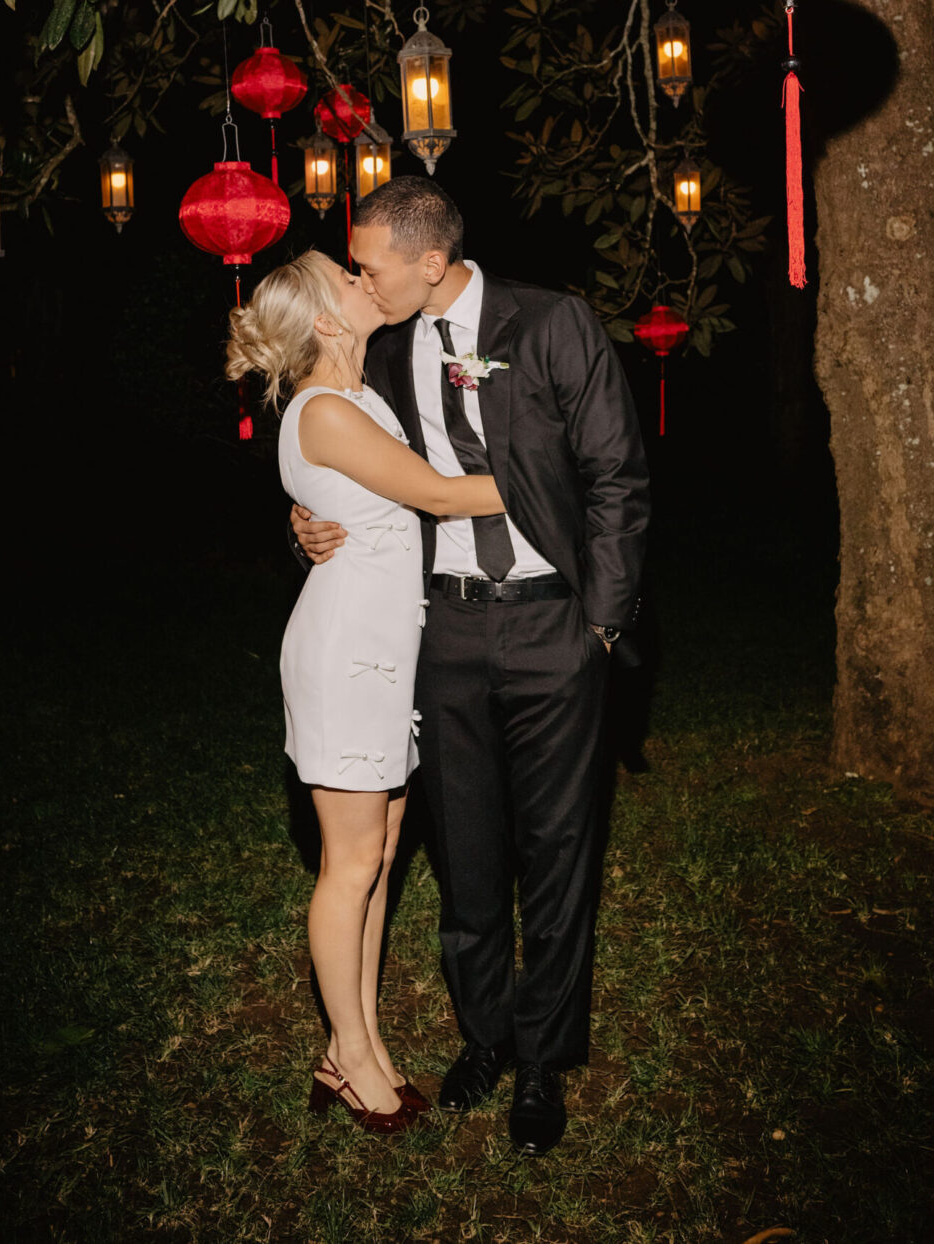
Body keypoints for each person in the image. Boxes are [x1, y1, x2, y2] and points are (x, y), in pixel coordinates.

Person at [291, 178, 650, 1156]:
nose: (359, 278)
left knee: (558, 854)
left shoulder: (553, 323)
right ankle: (482, 1034)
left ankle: (540, 1060)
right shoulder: (386, 351)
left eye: (370, 262)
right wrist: (309, 520)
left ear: (431, 262)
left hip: (550, 630)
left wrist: (601, 628)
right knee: (465, 854)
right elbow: (351, 469)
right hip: (437, 634)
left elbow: (616, 478)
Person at [226, 249, 507, 1136]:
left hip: (390, 649)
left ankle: (362, 1039)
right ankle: (348, 1057)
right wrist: (558, 479)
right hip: (348, 654)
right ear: (327, 320)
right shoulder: (325, 410)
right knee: (350, 864)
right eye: (344, 277)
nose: (361, 277)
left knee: (381, 853)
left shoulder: (361, 392)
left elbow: (364, 495)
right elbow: (436, 493)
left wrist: (305, 515)